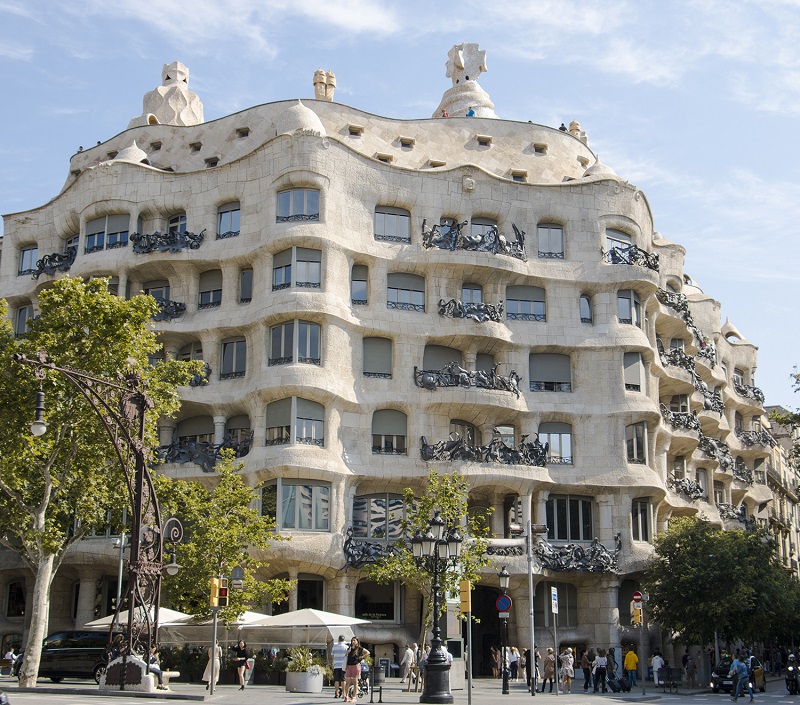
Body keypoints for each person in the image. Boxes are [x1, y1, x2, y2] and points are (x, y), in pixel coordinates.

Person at [344, 636, 369, 703]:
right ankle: (346, 696)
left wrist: (362, 657)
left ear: (357, 641)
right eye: (352, 640)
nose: (353, 642)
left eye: (354, 640)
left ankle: (354, 697)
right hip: (349, 666)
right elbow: (346, 656)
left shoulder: (359, 649)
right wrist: (347, 653)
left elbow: (368, 652)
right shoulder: (349, 648)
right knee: (347, 682)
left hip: (356, 665)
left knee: (355, 682)